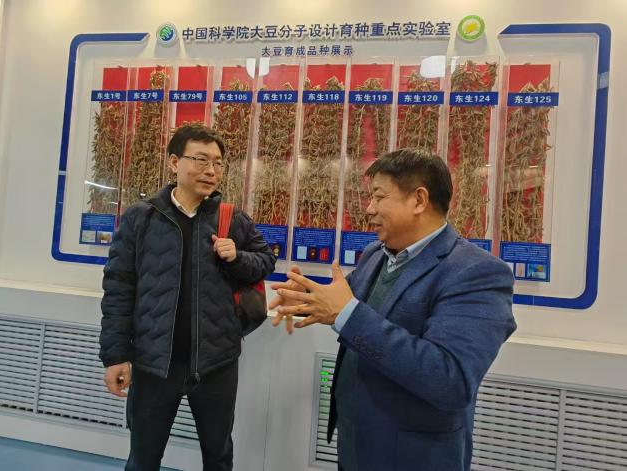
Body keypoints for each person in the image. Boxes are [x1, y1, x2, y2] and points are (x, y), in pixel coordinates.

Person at [271, 148, 516, 471]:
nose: (369, 209)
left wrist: (346, 314)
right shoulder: (376, 255)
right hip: (356, 447)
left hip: (415, 457)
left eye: (378, 197)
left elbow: (450, 380)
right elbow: (343, 302)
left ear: (418, 200)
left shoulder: (476, 273)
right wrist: (303, 299)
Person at [99, 124, 276, 471]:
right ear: (174, 162)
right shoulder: (142, 218)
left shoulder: (232, 219)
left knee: (218, 455)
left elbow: (265, 262)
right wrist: (116, 355)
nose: (211, 171)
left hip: (216, 362)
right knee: (143, 457)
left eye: (218, 163)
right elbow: (119, 288)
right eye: (200, 160)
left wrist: (237, 257)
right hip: (154, 362)